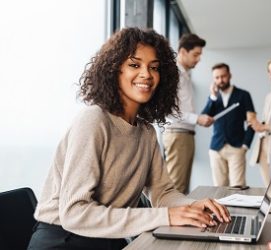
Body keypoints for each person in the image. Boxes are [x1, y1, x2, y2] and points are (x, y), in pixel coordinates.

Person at [27, 28, 230, 250]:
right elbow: (74, 213)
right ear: (115, 70)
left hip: (109, 238)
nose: (146, 74)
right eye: (135, 65)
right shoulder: (94, 120)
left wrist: (192, 206)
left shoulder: (146, 132)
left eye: (154, 67)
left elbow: (163, 192)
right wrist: (165, 216)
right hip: (65, 240)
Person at [163, 33, 213, 194]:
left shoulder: (184, 75)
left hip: (184, 135)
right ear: (183, 52)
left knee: (182, 187)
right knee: (176, 189)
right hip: (178, 135)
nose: (198, 59)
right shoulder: (175, 75)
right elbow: (169, 111)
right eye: (196, 54)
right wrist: (197, 118)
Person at [201, 63, 255, 187]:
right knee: (219, 188)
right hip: (216, 148)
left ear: (229, 75)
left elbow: (252, 121)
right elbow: (203, 119)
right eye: (217, 77)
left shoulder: (243, 95)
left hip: (237, 147)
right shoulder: (213, 98)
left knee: (238, 187)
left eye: (223, 76)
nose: (221, 80)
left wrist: (245, 145)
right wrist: (213, 97)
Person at [250, 58, 271, 186]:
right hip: (263, 144)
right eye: (269, 71)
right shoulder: (270, 95)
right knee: (268, 187)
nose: (270, 74)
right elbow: (266, 121)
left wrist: (265, 127)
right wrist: (257, 125)